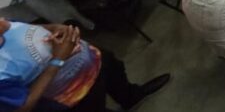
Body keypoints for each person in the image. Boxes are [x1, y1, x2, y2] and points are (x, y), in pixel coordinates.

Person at [0, 17, 170, 111]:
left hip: (92, 58)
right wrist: (58, 59)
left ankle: (131, 96)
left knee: (115, 70)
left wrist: (54, 27)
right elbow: (22, 107)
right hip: (76, 95)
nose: (3, 19)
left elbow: (25, 25)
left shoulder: (3, 26)